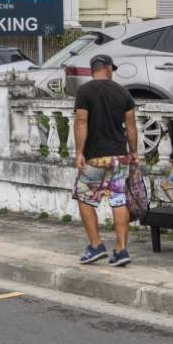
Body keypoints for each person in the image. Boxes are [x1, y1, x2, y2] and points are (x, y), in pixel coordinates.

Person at [72, 54, 139, 267]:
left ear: (93, 70)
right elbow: (131, 126)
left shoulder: (85, 91)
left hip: (95, 158)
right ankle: (121, 250)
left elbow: (81, 121)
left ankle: (95, 245)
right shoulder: (123, 91)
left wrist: (79, 152)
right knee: (119, 200)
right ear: (108, 69)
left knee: (84, 199)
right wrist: (134, 151)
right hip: (119, 156)